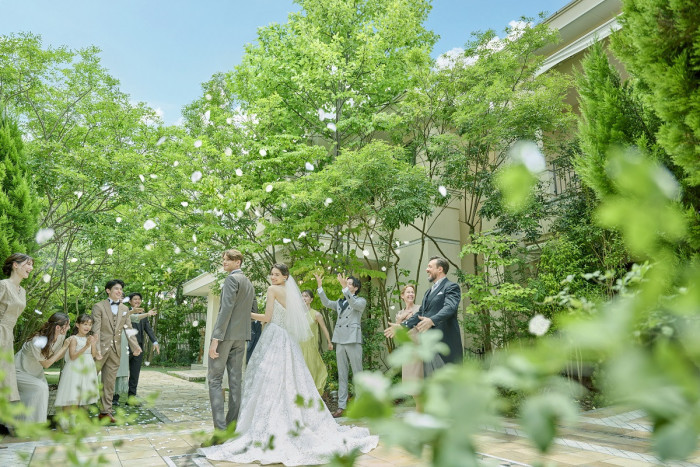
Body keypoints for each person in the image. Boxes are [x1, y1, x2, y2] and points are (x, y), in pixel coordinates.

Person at [200, 263, 378, 465]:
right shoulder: (290, 293)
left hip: (275, 337)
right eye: (272, 274)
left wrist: (245, 315)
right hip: (288, 340)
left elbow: (267, 318)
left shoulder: (272, 290)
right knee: (291, 381)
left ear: (285, 276)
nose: (272, 277)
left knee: (270, 381)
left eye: (276, 275)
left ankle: (266, 425)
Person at [207, 249, 257, 432]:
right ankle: (232, 426)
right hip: (242, 337)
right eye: (223, 259)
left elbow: (225, 310)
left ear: (238, 262)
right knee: (236, 381)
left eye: (229, 259)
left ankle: (220, 429)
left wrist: (215, 339)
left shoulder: (231, 280)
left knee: (214, 379)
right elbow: (253, 310)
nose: (224, 262)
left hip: (225, 337)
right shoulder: (249, 284)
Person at [315, 272, 366, 418]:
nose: (346, 285)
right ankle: (341, 406)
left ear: (355, 288)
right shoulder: (340, 302)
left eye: (349, 284)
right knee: (342, 374)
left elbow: (354, 304)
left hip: (353, 339)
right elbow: (326, 303)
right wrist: (320, 287)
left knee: (358, 373)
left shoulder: (360, 301)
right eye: (346, 283)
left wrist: (345, 289)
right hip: (340, 339)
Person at [92, 279, 142, 423]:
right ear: (108, 290)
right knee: (88, 378)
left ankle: (105, 412)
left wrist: (135, 346)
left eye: (120, 289)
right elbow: (96, 330)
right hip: (100, 349)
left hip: (115, 350)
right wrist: (97, 350)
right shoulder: (99, 306)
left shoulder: (125, 309)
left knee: (109, 382)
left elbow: (128, 328)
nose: (119, 291)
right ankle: (78, 408)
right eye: (116, 289)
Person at [404, 256, 463, 364]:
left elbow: (450, 307)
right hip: (428, 346)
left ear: (440, 269)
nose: (427, 269)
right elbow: (420, 312)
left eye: (430, 267)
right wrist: (402, 326)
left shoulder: (451, 286)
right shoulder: (428, 292)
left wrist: (432, 320)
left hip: (445, 344)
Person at [14, 313, 72, 423]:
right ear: (58, 327)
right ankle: (24, 423)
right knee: (40, 388)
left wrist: (66, 349)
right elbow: (46, 364)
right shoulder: (37, 340)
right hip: (20, 371)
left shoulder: (60, 336)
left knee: (42, 392)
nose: (69, 327)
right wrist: (64, 347)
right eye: (67, 325)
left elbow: (56, 358)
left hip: (36, 373)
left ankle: (36, 424)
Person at [0, 253, 33, 405]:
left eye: (31, 265)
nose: (30, 268)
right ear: (15, 265)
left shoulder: (23, 291)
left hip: (8, 336)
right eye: (28, 264)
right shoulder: (3, 285)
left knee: (5, 376)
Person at [384, 284, 424, 408]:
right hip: (407, 351)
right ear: (402, 296)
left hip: (418, 348)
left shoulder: (420, 309)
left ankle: (420, 410)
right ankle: (420, 409)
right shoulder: (400, 313)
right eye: (408, 292)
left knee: (419, 382)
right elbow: (396, 335)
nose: (411, 294)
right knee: (411, 384)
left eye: (412, 292)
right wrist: (400, 320)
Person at [54, 314, 99, 409]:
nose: (88, 327)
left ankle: (75, 420)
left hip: (88, 368)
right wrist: (86, 346)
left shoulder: (89, 338)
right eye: (85, 324)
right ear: (78, 325)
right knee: (72, 395)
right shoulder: (73, 339)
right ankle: (65, 421)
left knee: (82, 395)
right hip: (75, 368)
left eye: (90, 325)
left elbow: (93, 355)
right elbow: (73, 356)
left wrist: (93, 344)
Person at [126, 293, 160, 403]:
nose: (137, 301)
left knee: (135, 373)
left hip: (139, 347)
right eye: (134, 299)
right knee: (120, 373)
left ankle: (131, 397)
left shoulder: (143, 314)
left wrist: (154, 341)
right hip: (125, 346)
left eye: (139, 299)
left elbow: (148, 329)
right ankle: (115, 397)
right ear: (130, 301)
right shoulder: (125, 312)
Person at [299, 289, 333, 393]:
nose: (303, 298)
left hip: (310, 348)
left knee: (311, 372)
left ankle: (311, 396)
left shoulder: (316, 314)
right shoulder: (296, 314)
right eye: (302, 296)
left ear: (311, 299)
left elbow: (324, 329)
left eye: (306, 296)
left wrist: (329, 342)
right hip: (298, 347)